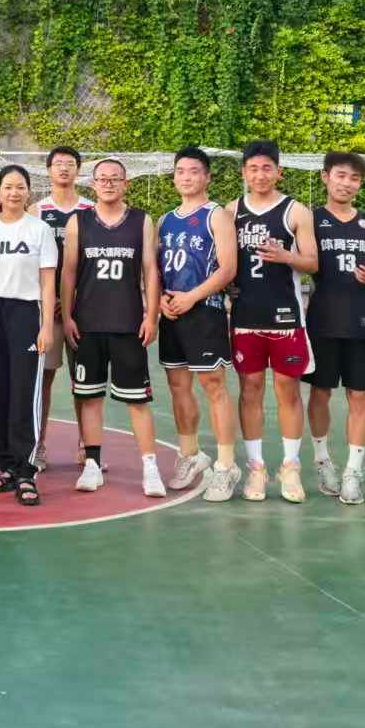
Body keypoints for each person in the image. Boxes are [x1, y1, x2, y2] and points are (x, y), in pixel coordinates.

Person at [61, 157, 163, 498]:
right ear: (93, 184)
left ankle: (150, 467)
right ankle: (92, 464)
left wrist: (151, 316)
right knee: (90, 397)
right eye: (102, 179)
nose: (107, 183)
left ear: (125, 183)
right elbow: (69, 272)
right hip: (88, 323)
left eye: (114, 178)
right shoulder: (78, 221)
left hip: (128, 323)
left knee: (137, 401)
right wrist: (67, 316)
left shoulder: (141, 220)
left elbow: (150, 270)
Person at [229, 140, 319, 504]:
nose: (260, 175)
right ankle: (256, 467)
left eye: (267, 168)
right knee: (250, 389)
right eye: (253, 168)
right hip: (245, 317)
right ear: (244, 173)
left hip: (285, 317)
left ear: (279, 172)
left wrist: (286, 256)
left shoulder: (296, 211)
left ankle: (290, 466)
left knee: (288, 391)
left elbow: (312, 262)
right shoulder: (231, 211)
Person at [305, 151, 365, 505]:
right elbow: (300, 262)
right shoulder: (310, 219)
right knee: (320, 392)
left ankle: (353, 471)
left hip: (361, 320)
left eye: (354, 178)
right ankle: (323, 461)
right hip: (322, 319)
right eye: (340, 175)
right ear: (326, 177)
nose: (347, 183)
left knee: (359, 394)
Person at [156, 147, 239, 500]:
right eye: (180, 171)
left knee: (213, 385)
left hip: (205, 310)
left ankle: (226, 465)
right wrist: (160, 299)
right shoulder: (165, 220)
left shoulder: (216, 215)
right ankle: (189, 455)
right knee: (178, 385)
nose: (186, 177)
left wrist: (193, 296)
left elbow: (228, 268)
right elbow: (156, 269)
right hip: (173, 313)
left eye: (194, 171)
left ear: (206, 177)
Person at [0, 165, 55, 505]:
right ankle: (6, 464)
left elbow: (48, 282)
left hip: (26, 313)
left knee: (24, 392)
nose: (14, 192)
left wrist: (46, 325)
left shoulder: (39, 229)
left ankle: (26, 470)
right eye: (8, 186)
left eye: (20, 186)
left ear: (28, 191)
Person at [36, 145, 92, 471]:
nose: (64, 168)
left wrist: (74, 299)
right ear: (48, 170)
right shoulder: (37, 210)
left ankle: (87, 445)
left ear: (78, 170)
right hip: (49, 310)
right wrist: (51, 300)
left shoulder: (90, 210)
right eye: (58, 163)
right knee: (43, 380)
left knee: (83, 380)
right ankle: (39, 445)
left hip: (82, 310)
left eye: (70, 164)